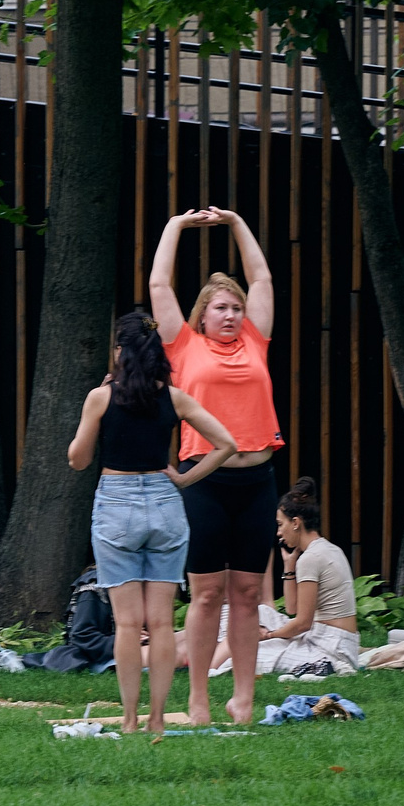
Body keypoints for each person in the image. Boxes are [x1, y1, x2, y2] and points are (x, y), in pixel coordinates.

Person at [64, 310, 237, 736]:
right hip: (164, 504)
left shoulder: (101, 398)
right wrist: (182, 477)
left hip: (117, 504)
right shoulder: (174, 398)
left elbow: (78, 459)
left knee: (127, 623)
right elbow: (226, 444)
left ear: (120, 351)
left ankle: (128, 719)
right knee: (161, 622)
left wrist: (97, 407)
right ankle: (158, 719)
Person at [148, 204, 282, 726]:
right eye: (220, 308)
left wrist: (237, 223)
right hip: (204, 481)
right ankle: (199, 699)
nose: (229, 315)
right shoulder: (182, 346)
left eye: (235, 308)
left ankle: (243, 700)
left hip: (257, 479)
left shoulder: (255, 341)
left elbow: (263, 275)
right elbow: (159, 283)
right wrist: (176, 225)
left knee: (248, 594)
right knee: (205, 595)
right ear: (201, 315)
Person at [229, 482, 361, 679]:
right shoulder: (328, 549)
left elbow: (302, 624)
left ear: (296, 523)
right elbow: (292, 609)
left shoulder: (311, 558)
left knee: (250, 655)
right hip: (333, 639)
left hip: (331, 646)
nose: (279, 533)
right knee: (265, 613)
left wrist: (269, 636)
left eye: (281, 524)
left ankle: (326, 666)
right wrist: (289, 566)